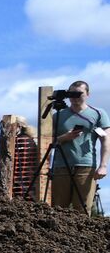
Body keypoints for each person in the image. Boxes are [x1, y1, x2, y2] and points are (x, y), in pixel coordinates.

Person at [49, 80, 109, 212]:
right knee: (58, 208)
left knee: (82, 208)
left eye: (79, 94)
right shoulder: (58, 116)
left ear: (88, 94)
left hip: (86, 167)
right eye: (72, 94)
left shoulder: (98, 113)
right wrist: (64, 138)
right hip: (61, 166)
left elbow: (106, 140)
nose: (74, 97)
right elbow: (47, 141)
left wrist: (103, 166)